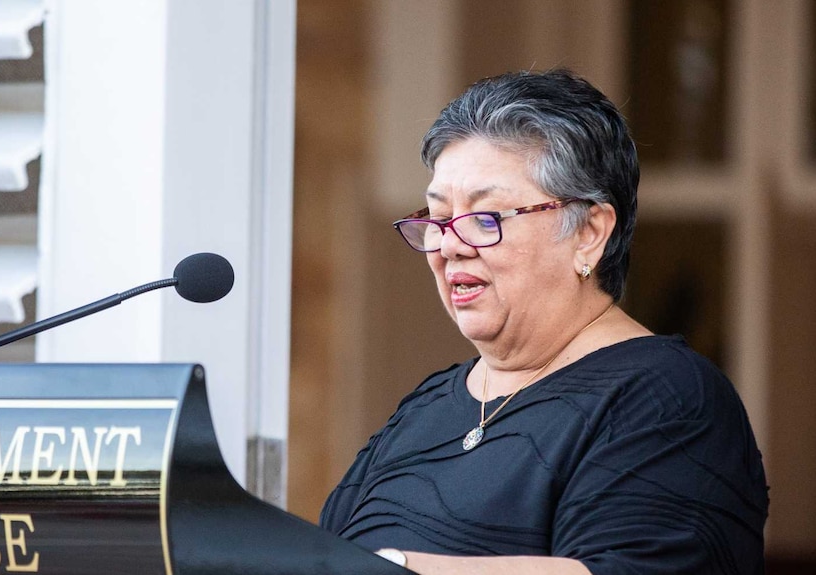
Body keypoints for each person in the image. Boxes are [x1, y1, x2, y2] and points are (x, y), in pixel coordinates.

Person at [320, 69, 768, 575]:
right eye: (437, 218)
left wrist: (396, 567)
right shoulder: (423, 410)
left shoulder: (669, 398)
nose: (448, 245)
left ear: (589, 233)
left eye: (485, 218)